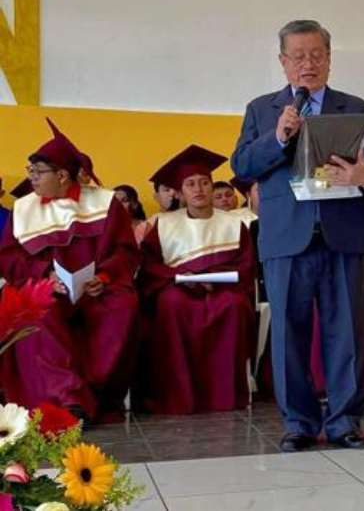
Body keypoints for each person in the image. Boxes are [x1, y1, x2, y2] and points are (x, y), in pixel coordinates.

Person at [231, 19, 364, 451]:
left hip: (343, 233)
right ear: (283, 62)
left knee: (348, 332)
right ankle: (298, 423)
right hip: (286, 237)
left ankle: (345, 423)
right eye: (299, 56)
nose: (308, 64)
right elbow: (242, 165)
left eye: (317, 55)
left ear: (329, 58)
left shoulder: (353, 106)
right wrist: (278, 137)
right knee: (288, 335)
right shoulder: (261, 109)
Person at [0, 119, 139, 424]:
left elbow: (125, 250)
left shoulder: (104, 203)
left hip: (96, 288)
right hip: (45, 288)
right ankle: (68, 400)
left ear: (62, 175)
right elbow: (9, 256)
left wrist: (104, 277)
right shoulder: (23, 208)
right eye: (30, 171)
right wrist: (44, 275)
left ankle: (96, 396)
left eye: (38, 172)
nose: (31, 177)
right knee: (38, 312)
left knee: (122, 306)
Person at [135, 145, 256, 413]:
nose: (198, 189)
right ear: (180, 192)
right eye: (190, 184)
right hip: (177, 288)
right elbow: (150, 266)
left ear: (212, 188)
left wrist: (217, 279)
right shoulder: (163, 224)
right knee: (172, 305)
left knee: (234, 305)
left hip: (224, 288)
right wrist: (177, 277)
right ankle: (180, 396)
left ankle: (224, 396)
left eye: (204, 182)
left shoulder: (234, 223)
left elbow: (246, 265)